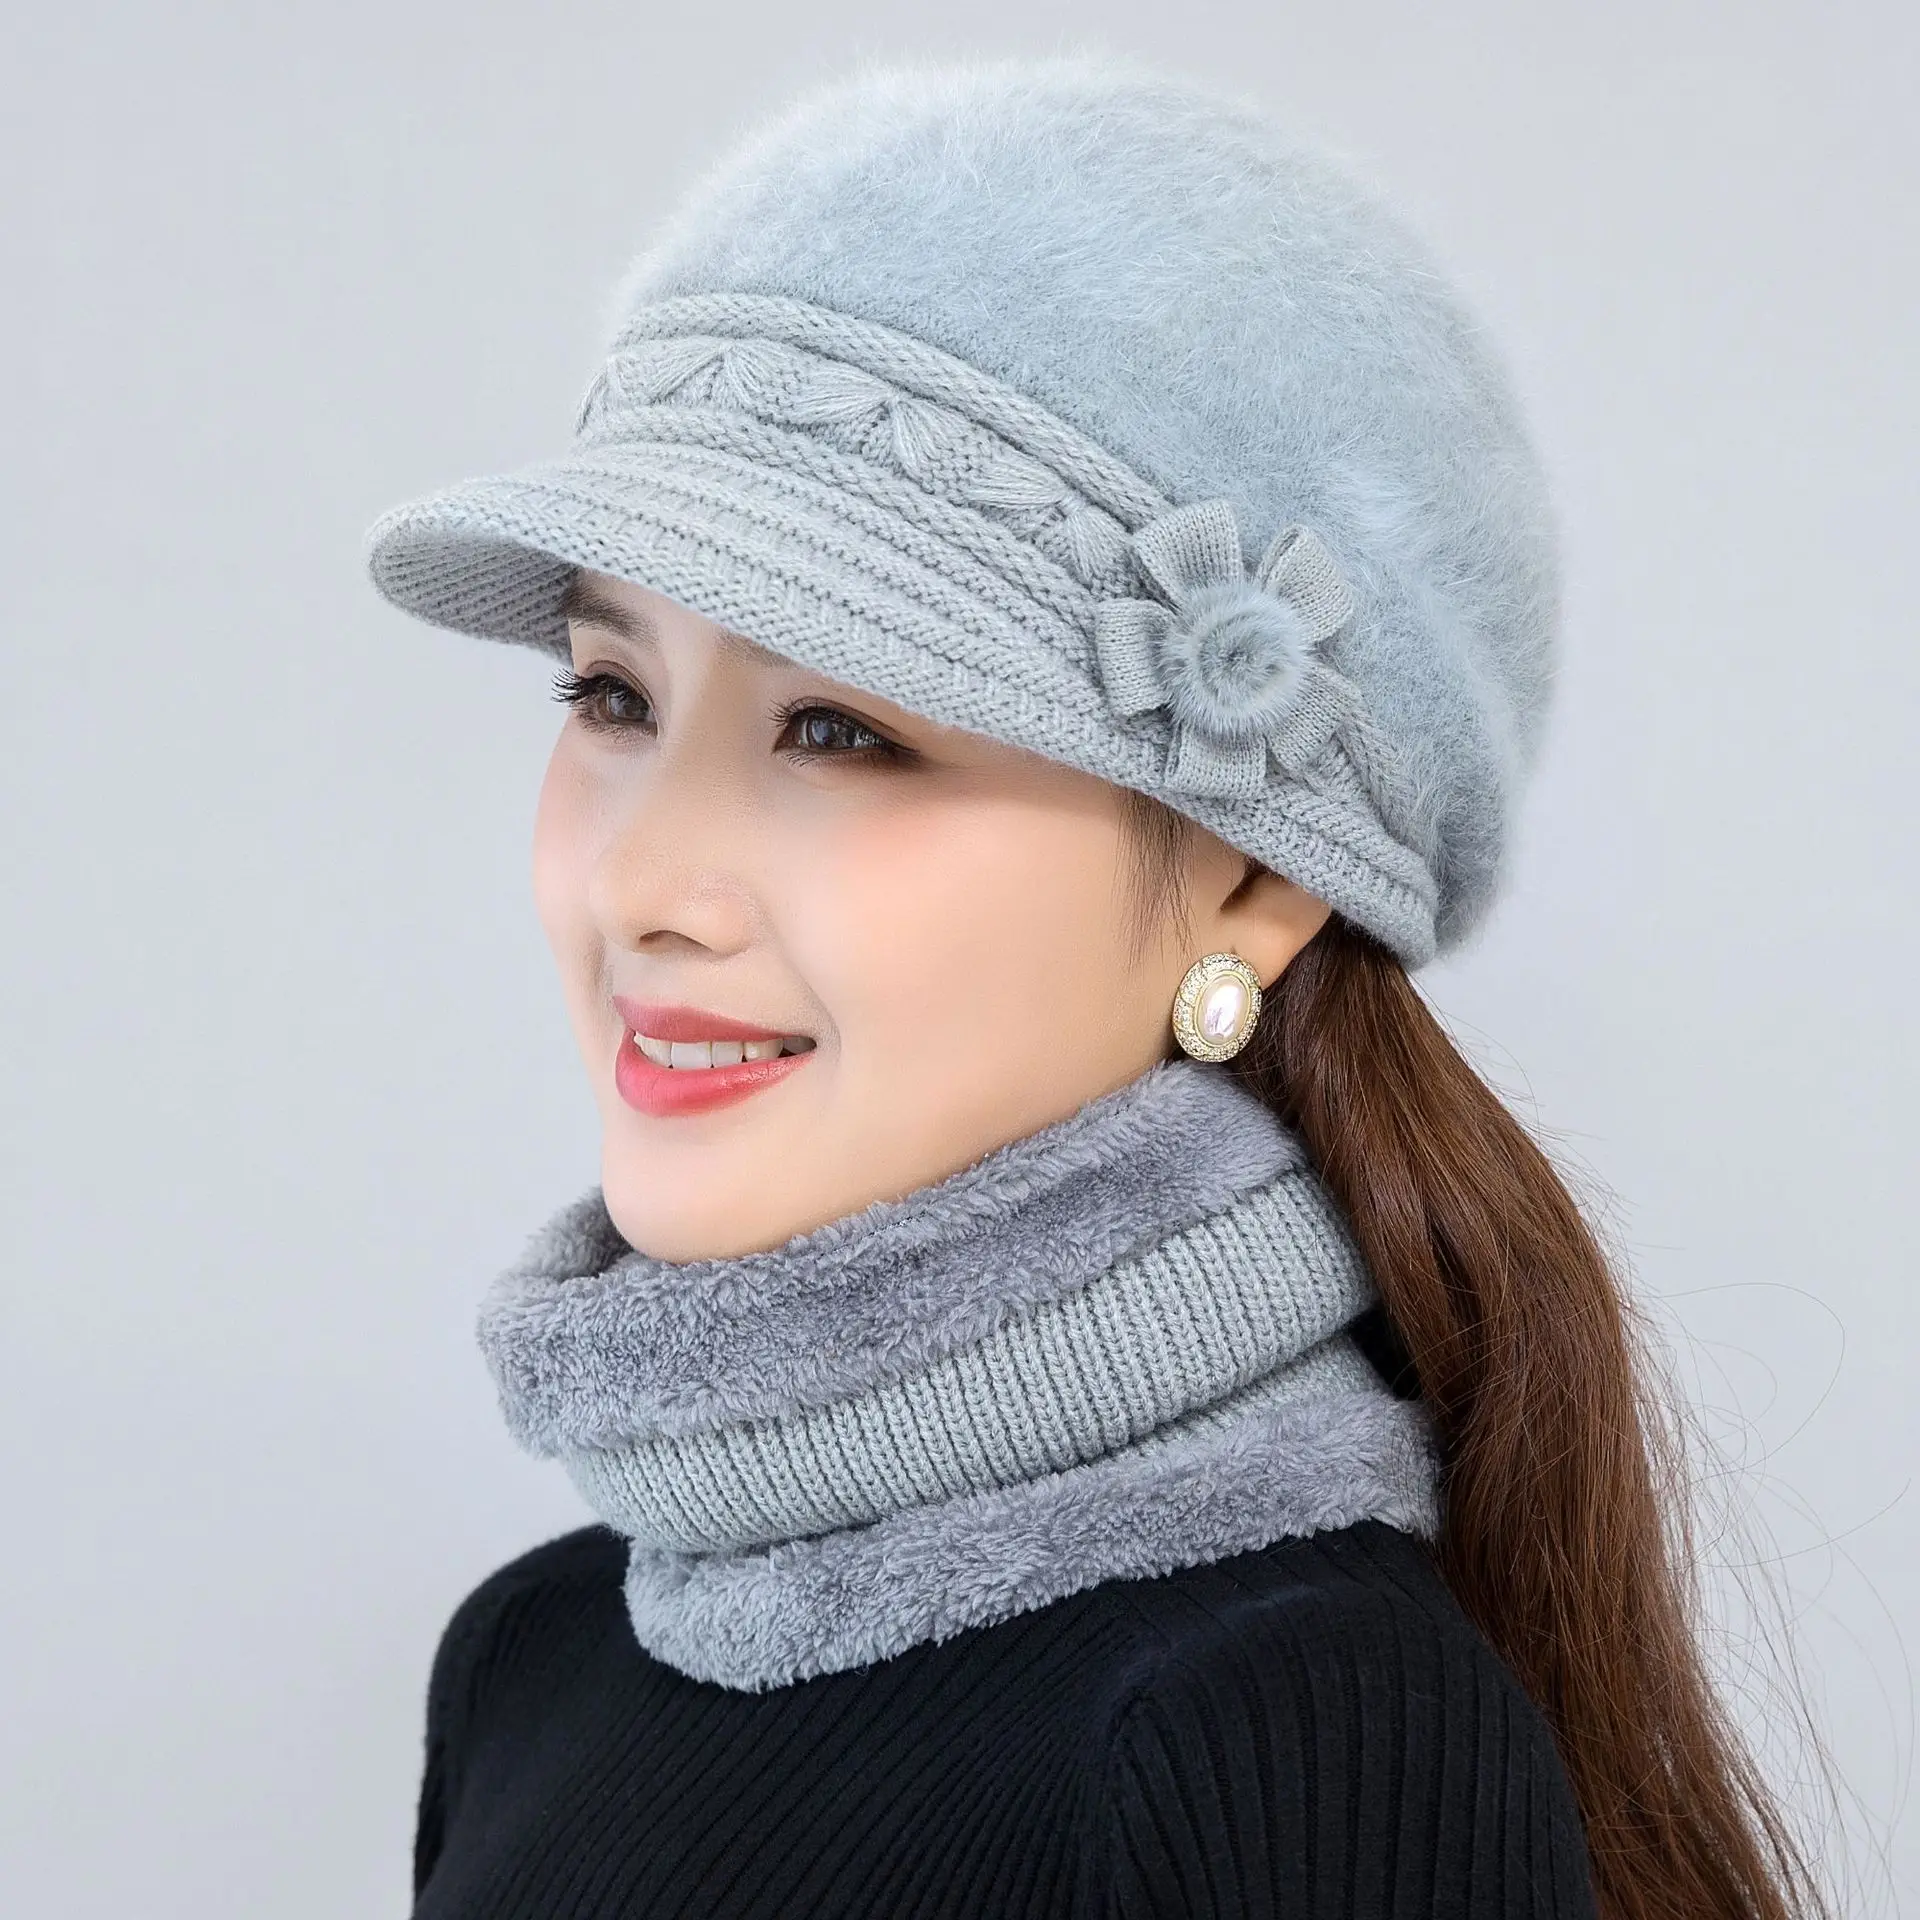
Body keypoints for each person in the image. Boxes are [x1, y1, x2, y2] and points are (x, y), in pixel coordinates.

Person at [364, 50, 1824, 1920]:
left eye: (841, 729)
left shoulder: (1293, 1736)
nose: (639, 883)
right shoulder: (530, 1661)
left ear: (1255, 884)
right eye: (611, 694)